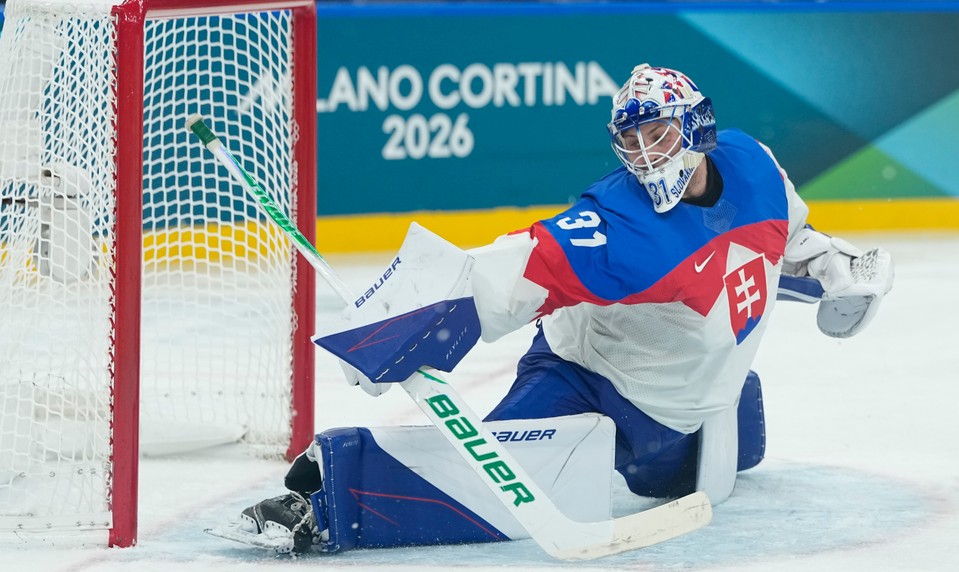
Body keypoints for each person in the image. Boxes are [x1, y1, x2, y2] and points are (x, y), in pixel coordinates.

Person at [222, 64, 895, 554]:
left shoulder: (754, 165)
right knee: (493, 485)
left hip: (688, 413)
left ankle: (715, 422)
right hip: (583, 378)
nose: (642, 155)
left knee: (720, 457)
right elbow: (513, 267)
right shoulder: (619, 226)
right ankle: (328, 492)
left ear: (696, 127)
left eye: (656, 135)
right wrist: (403, 324)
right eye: (628, 141)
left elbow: (779, 244)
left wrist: (830, 269)